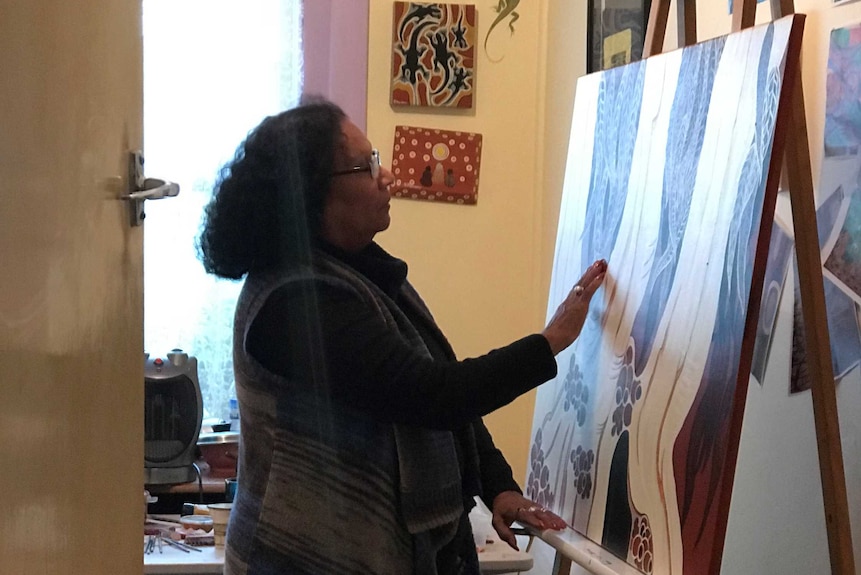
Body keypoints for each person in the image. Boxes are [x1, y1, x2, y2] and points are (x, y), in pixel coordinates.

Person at [198, 95, 607, 575]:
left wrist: (497, 485)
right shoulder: (291, 303)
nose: (387, 175)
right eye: (366, 165)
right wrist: (549, 342)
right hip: (302, 558)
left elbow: (440, 392)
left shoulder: (364, 273)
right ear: (311, 194)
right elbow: (428, 394)